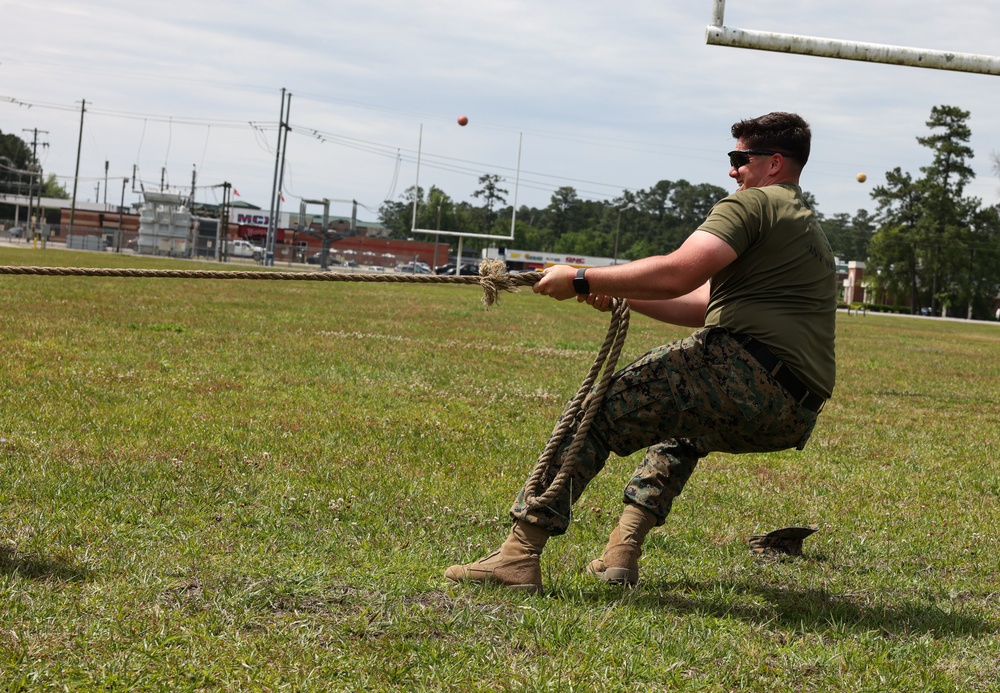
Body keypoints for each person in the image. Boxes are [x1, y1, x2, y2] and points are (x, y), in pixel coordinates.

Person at [446, 112, 837, 593]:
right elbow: (701, 304)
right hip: (792, 411)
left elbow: (678, 272)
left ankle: (517, 555)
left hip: (745, 370)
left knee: (594, 413)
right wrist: (623, 295)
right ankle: (622, 551)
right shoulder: (804, 227)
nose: (732, 170)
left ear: (773, 163)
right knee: (684, 423)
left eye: (740, 158)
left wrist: (582, 277)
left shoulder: (750, 205)